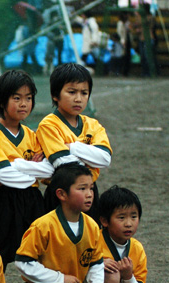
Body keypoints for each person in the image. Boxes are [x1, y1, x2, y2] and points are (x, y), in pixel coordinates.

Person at [0, 70, 52, 270]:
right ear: (1, 101)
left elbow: (48, 171)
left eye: (28, 98)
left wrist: (16, 165)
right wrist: (33, 169)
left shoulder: (32, 134)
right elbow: (2, 174)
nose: (24, 104)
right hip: (3, 200)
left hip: (33, 200)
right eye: (17, 98)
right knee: (0, 257)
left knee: (39, 254)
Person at [36, 63, 112, 223]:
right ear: (55, 95)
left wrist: (71, 147)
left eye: (84, 93)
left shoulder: (93, 125)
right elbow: (63, 163)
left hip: (90, 191)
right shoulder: (49, 125)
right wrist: (90, 157)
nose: (78, 99)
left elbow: (105, 159)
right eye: (71, 92)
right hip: (61, 193)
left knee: (90, 233)